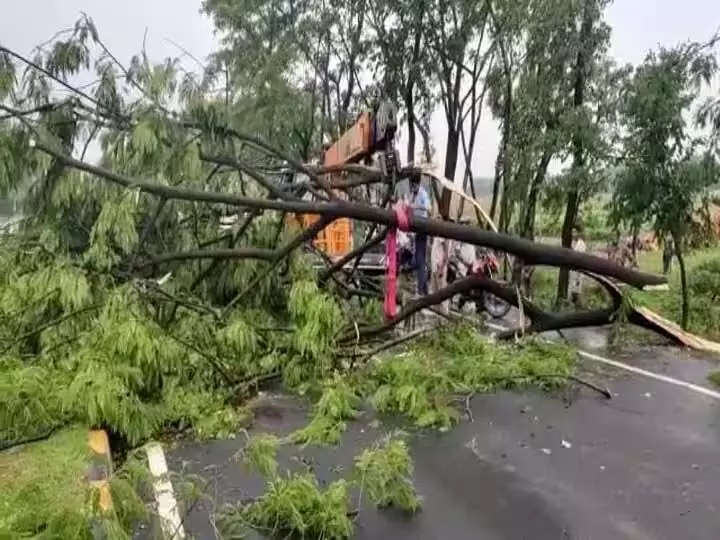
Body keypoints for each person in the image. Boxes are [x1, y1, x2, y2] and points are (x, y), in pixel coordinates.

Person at [408, 174, 431, 295]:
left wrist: (417, 206)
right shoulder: (413, 194)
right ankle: (424, 289)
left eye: (413, 185)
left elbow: (429, 208)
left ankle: (421, 290)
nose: (412, 187)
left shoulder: (423, 194)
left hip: (423, 227)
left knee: (420, 259)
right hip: (415, 228)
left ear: (417, 184)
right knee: (418, 259)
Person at [569, 225, 586, 308]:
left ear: (579, 233)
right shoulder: (573, 243)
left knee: (577, 292)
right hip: (572, 271)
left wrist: (579, 276)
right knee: (573, 292)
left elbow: (581, 260)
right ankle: (576, 309)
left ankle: (580, 309)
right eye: (572, 232)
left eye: (575, 232)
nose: (573, 234)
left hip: (578, 271)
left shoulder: (581, 244)